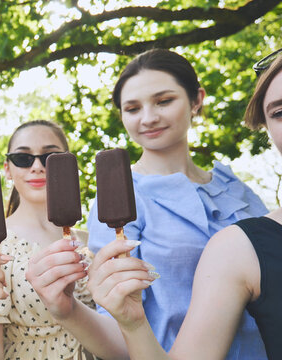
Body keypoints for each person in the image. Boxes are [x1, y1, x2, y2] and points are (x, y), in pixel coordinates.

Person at [86, 49, 282, 360]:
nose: (148, 118)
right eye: (132, 108)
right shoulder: (120, 201)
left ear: (196, 100)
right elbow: (119, 325)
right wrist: (67, 311)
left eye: (163, 101)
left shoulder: (238, 192)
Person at [0, 120, 96, 359]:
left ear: (67, 165)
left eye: (50, 157)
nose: (37, 166)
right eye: (23, 158)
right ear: (7, 169)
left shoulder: (92, 242)